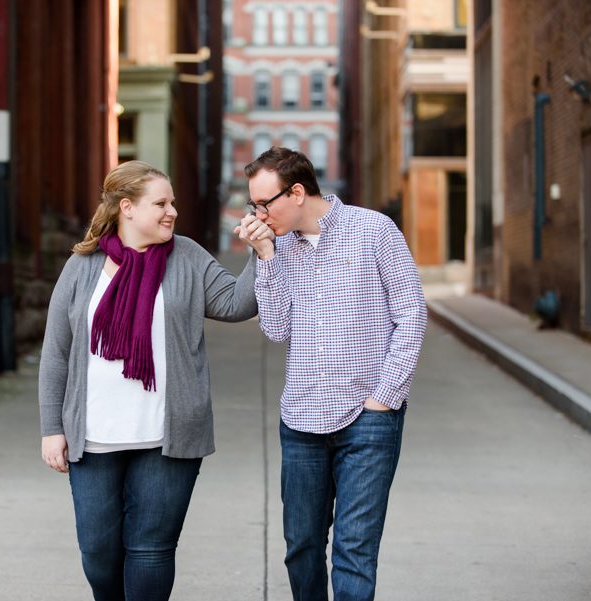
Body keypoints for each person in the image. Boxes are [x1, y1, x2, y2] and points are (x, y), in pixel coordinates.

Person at [39, 160, 273, 601]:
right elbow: (56, 351)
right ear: (126, 207)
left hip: (168, 434)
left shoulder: (186, 256)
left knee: (150, 550)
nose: (172, 212)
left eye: (173, 203)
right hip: (93, 436)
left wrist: (260, 257)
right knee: (98, 551)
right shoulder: (82, 265)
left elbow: (236, 304)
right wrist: (53, 428)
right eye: (161, 203)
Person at [237, 147, 428, 601]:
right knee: (301, 546)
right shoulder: (278, 247)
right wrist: (265, 256)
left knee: (354, 548)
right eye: (253, 206)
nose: (258, 215)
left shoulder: (373, 231)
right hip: (301, 419)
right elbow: (277, 328)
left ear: (298, 192)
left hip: (368, 420)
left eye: (265, 204)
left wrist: (384, 397)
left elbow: (411, 315)